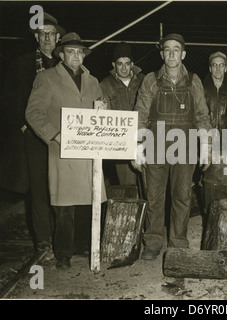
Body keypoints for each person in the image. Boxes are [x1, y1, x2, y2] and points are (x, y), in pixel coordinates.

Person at [25, 32, 107, 270]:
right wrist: (55, 135)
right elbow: (33, 113)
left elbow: (100, 111)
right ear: (61, 55)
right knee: (64, 206)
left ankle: (84, 246)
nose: (75, 56)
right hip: (62, 152)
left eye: (79, 52)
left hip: (88, 152)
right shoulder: (47, 78)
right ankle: (63, 253)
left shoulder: (93, 81)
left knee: (88, 201)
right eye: (70, 51)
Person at [132, 33, 212, 260]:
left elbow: (202, 117)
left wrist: (205, 147)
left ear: (183, 54)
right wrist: (137, 148)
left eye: (176, 49)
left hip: (185, 146)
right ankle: (154, 241)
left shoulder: (194, 81)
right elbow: (140, 115)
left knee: (182, 196)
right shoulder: (150, 80)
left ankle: (178, 241)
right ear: (162, 54)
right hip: (155, 144)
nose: (171, 54)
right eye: (167, 49)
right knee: (155, 195)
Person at [0, 13, 65, 258]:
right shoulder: (21, 63)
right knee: (38, 189)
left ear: (58, 37)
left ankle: (63, 238)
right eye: (42, 34)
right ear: (37, 37)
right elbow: (8, 98)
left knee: (60, 187)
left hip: (60, 137)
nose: (47, 38)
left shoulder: (65, 65)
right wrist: (23, 124)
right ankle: (44, 241)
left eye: (51, 33)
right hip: (34, 137)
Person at [201, 51, 227, 213]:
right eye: (214, 65)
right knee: (209, 181)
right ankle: (209, 215)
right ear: (210, 68)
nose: (218, 69)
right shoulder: (202, 90)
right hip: (208, 140)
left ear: (226, 68)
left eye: (221, 65)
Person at [100, 42, 144, 187]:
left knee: (149, 185)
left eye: (127, 63)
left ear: (132, 64)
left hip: (145, 139)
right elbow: (104, 115)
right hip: (122, 142)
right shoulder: (105, 84)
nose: (124, 68)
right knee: (127, 186)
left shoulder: (144, 80)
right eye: (120, 64)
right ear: (114, 65)